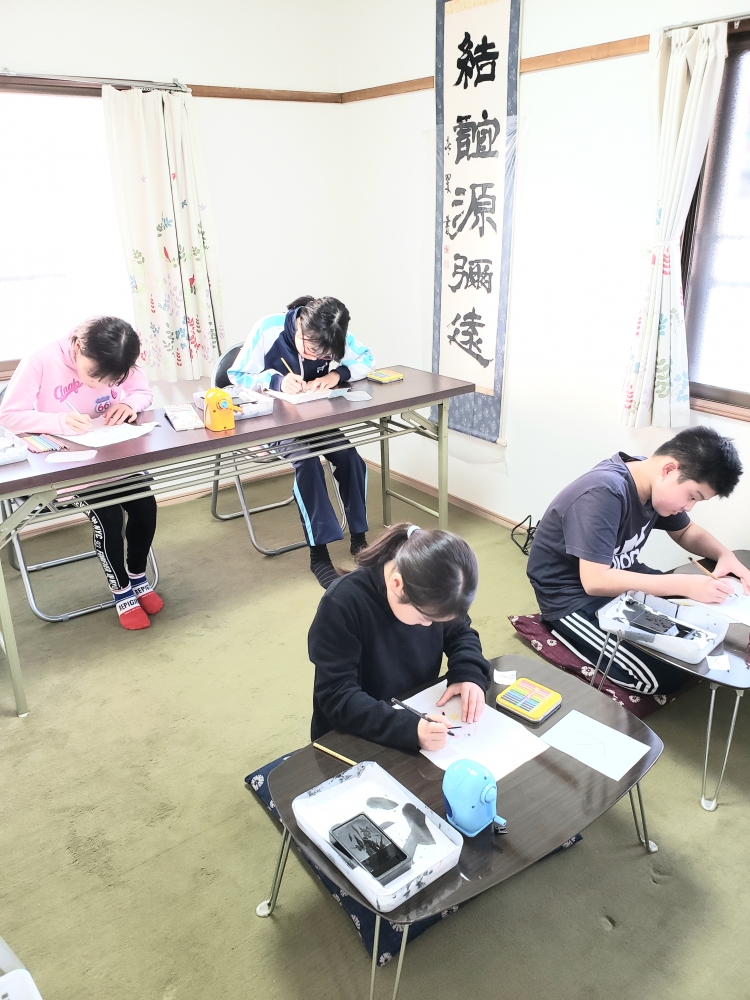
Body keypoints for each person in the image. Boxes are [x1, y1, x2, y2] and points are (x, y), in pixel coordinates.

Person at [527, 426, 749, 694]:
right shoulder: (604, 491)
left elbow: (686, 531)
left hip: (621, 575)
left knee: (703, 631)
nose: (689, 506)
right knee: (661, 677)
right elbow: (595, 581)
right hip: (572, 596)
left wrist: (725, 555)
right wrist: (685, 585)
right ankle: (563, 634)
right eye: (692, 496)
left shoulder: (650, 479)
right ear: (669, 469)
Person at [0, 317, 164, 630]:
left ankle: (138, 577)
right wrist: (58, 422)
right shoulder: (41, 360)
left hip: (112, 455)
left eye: (110, 381)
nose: (100, 385)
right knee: (109, 516)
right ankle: (122, 592)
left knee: (145, 504)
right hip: (68, 465)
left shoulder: (120, 357)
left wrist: (130, 403)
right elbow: (7, 415)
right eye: (94, 375)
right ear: (77, 348)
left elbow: (143, 392)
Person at [229, 295, 375, 589]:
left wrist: (335, 374)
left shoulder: (333, 331)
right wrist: (276, 380)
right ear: (300, 328)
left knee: (350, 457)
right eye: (310, 349)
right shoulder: (267, 329)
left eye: (324, 356)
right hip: (274, 422)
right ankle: (318, 555)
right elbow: (236, 375)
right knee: (308, 463)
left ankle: (359, 538)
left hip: (313, 417)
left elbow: (367, 360)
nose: (313, 358)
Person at [309, 523, 491, 751]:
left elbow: (461, 632)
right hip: (351, 733)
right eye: (426, 618)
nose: (431, 626)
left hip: (413, 706)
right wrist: (408, 728)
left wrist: (468, 673)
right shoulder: (341, 604)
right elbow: (336, 696)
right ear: (398, 585)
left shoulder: (441, 590)